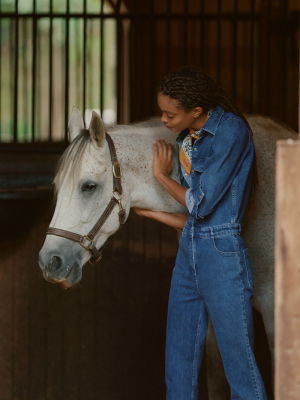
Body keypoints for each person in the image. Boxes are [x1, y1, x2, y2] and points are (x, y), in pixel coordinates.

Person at [133, 66, 267, 400]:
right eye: (162, 110)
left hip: (222, 256)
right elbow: (197, 225)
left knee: (240, 366)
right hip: (189, 252)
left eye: (169, 113)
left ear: (195, 110)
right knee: (178, 361)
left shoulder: (230, 131)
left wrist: (162, 177)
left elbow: (201, 206)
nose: (163, 119)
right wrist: (151, 213)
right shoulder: (187, 139)